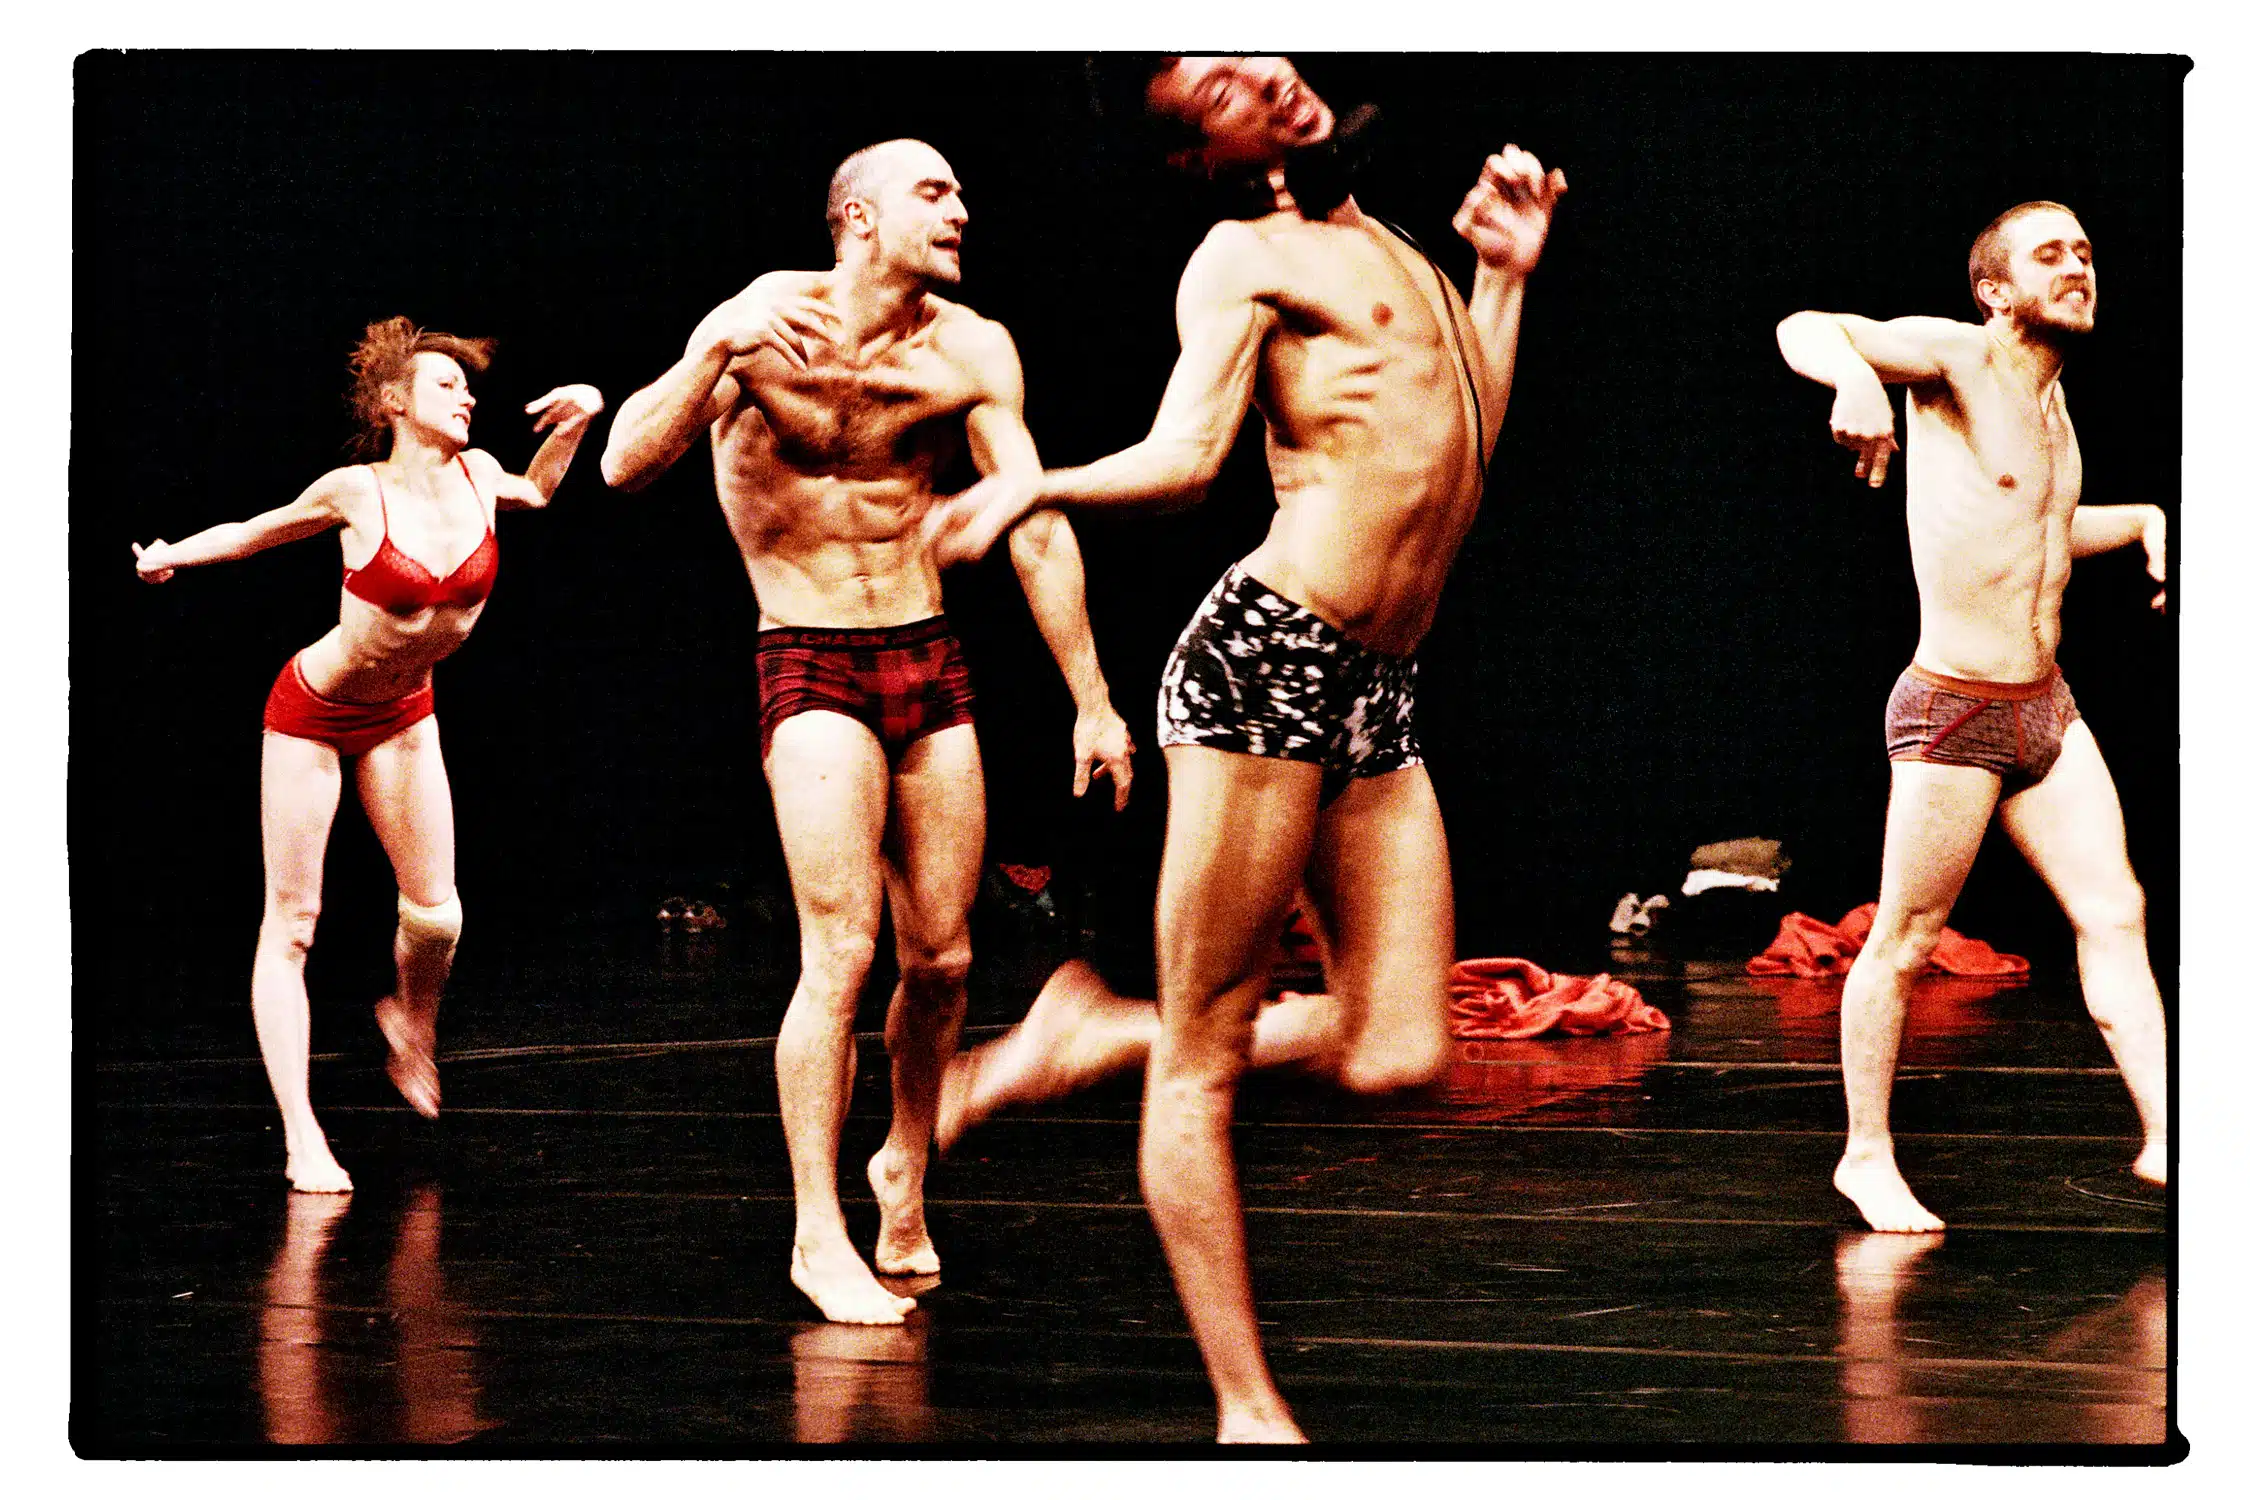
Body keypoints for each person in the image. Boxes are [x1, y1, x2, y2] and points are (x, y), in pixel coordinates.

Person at [929, 57, 1566, 1441]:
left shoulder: (1399, 245)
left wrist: (1504, 277)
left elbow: (1467, 438)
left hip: (1379, 687)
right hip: (1264, 664)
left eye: (1254, 50)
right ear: (1198, 156)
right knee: (1204, 1065)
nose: (1267, 72)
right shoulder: (1239, 257)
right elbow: (1185, 459)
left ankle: (1090, 1035)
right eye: (1219, 85)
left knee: (1400, 1051)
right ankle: (1246, 1410)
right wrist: (1038, 486)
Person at [599, 139, 1135, 1326]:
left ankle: (901, 1165)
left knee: (942, 959)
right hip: (807, 658)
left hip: (928, 657)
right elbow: (623, 466)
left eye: (961, 189)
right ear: (857, 217)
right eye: (933, 192)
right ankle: (816, 1233)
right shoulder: (764, 324)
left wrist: (1093, 697)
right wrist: (712, 351)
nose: (961, 208)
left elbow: (1035, 524)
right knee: (840, 950)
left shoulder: (972, 349)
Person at [132, 317, 604, 1193]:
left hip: (404, 715)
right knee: (293, 925)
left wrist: (577, 420)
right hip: (311, 713)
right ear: (394, 402)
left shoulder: (479, 474)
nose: (467, 398)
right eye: (446, 385)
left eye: (469, 387)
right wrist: (171, 557)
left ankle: (411, 1023)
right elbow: (259, 529)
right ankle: (302, 1136)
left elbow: (538, 493)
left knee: (437, 917)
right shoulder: (357, 491)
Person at [1776, 201, 2169, 1233]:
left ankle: (2171, 1140)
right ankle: (1865, 1156)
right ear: (1996, 291)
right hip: (1956, 708)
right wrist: (1854, 377)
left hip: (2047, 709)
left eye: (2086, 251)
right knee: (1905, 940)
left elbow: (2039, 527)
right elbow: (1804, 326)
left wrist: (2144, 521)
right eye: (2051, 255)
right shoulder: (1957, 357)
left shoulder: (2051, 401)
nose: (2078, 266)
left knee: (2115, 910)